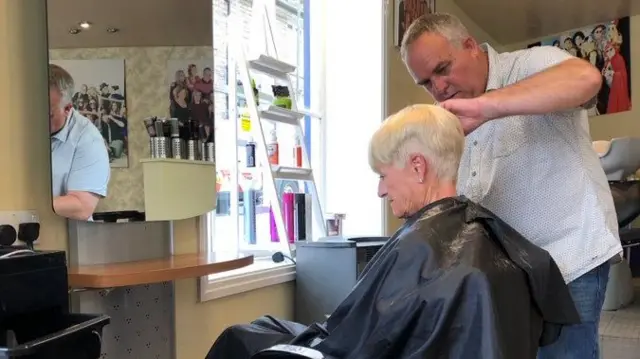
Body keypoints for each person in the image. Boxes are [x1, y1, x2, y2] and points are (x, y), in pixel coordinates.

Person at [205, 104, 579, 359]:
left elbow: (351, 345)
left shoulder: (420, 246)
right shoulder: (492, 235)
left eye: (383, 176)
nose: (381, 190)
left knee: (238, 338)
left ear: (417, 166)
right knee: (266, 326)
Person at [400, 13, 621, 358]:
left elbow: (587, 78)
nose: (438, 88)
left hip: (569, 257)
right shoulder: (447, 119)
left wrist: (485, 107)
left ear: (470, 46)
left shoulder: (532, 63)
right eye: (426, 82)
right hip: (511, 273)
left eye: (443, 69)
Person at [49, 64, 110, 221]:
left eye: (48, 114)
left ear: (68, 108)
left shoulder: (89, 140)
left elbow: (81, 206)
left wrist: (28, 208)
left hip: (68, 239)